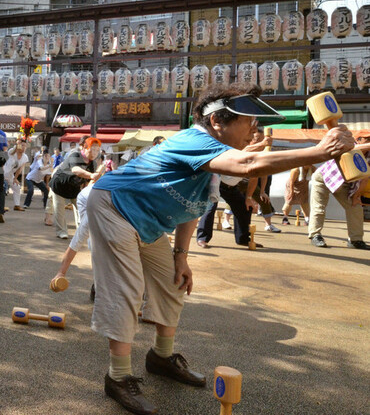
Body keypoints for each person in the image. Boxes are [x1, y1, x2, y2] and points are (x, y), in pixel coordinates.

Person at [86, 83, 354, 415]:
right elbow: (250, 164)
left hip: (148, 218)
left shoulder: (215, 158)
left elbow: (192, 207)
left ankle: (162, 357)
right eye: (248, 121)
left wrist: (180, 256)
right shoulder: (196, 140)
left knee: (173, 282)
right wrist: (319, 151)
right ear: (217, 122)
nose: (255, 130)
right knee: (126, 290)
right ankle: (119, 377)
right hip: (113, 206)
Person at [195, 133, 272, 249]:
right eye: (256, 139)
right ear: (251, 139)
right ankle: (202, 238)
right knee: (210, 206)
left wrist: (249, 198)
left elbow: (254, 179)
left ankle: (243, 239)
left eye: (261, 140)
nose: (258, 142)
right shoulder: (240, 145)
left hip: (231, 187)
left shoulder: (258, 157)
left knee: (245, 207)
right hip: (216, 181)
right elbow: (244, 151)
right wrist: (263, 143)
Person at [307, 132, 370, 249]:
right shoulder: (349, 145)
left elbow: (365, 178)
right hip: (323, 178)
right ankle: (315, 235)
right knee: (319, 207)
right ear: (359, 139)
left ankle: (355, 240)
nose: (369, 141)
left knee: (355, 207)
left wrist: (356, 196)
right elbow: (354, 149)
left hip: (344, 184)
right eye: (368, 139)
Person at [45, 136, 102, 239]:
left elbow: (89, 181)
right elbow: (76, 170)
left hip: (74, 188)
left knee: (81, 207)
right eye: (92, 149)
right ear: (85, 147)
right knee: (59, 209)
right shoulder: (75, 155)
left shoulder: (92, 163)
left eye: (97, 150)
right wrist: (90, 175)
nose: (95, 152)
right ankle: (61, 232)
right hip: (60, 184)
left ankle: (81, 229)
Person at [4, 138, 29, 211]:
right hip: (3, 173)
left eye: (25, 146)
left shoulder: (25, 157)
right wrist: (17, 146)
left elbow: (20, 169)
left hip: (10, 174)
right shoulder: (12, 151)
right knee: (2, 189)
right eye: (22, 145)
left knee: (17, 187)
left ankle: (17, 205)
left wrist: (15, 178)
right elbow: (12, 152)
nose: (24, 147)